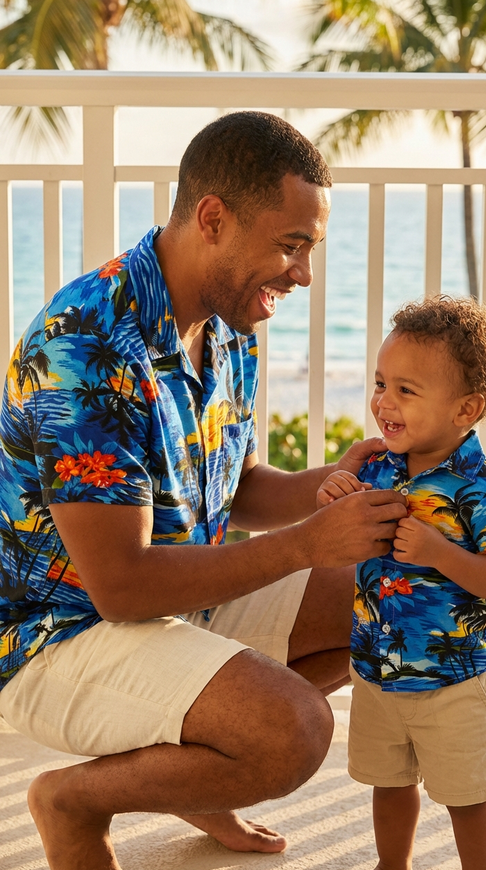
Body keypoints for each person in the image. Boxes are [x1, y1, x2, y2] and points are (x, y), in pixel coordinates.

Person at [0, 110, 407, 870]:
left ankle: (186, 769)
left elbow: (237, 484)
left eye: (308, 249)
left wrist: (331, 486)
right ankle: (73, 800)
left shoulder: (225, 324)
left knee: (387, 595)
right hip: (54, 635)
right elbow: (119, 587)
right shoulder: (86, 343)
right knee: (290, 730)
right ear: (213, 219)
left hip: (174, 600)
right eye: (290, 246)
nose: (302, 274)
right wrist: (302, 545)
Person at [317, 295, 486, 870]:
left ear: (467, 408)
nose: (383, 402)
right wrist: (334, 492)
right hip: (379, 667)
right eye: (381, 383)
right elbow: (341, 523)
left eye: (405, 391)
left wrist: (439, 552)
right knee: (389, 783)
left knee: (466, 795)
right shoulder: (377, 466)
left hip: (453, 678)